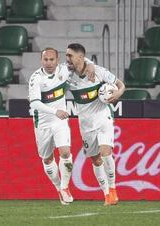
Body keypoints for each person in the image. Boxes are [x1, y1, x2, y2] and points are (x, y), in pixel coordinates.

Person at [28, 47, 95, 205]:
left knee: (65, 152)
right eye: (46, 59)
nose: (49, 63)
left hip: (60, 119)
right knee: (47, 158)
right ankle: (58, 187)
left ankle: (65, 187)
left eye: (52, 59)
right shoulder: (36, 78)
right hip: (43, 121)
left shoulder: (65, 70)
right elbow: (35, 103)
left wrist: (91, 64)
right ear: (41, 60)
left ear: (57, 60)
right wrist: (54, 111)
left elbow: (80, 61)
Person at [65, 43, 125, 205]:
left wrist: (118, 93)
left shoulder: (98, 71)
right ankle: (106, 194)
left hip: (103, 116)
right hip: (85, 122)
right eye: (66, 55)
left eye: (70, 55)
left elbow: (121, 85)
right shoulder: (66, 74)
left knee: (105, 152)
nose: (67, 58)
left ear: (79, 57)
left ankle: (113, 190)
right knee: (95, 160)